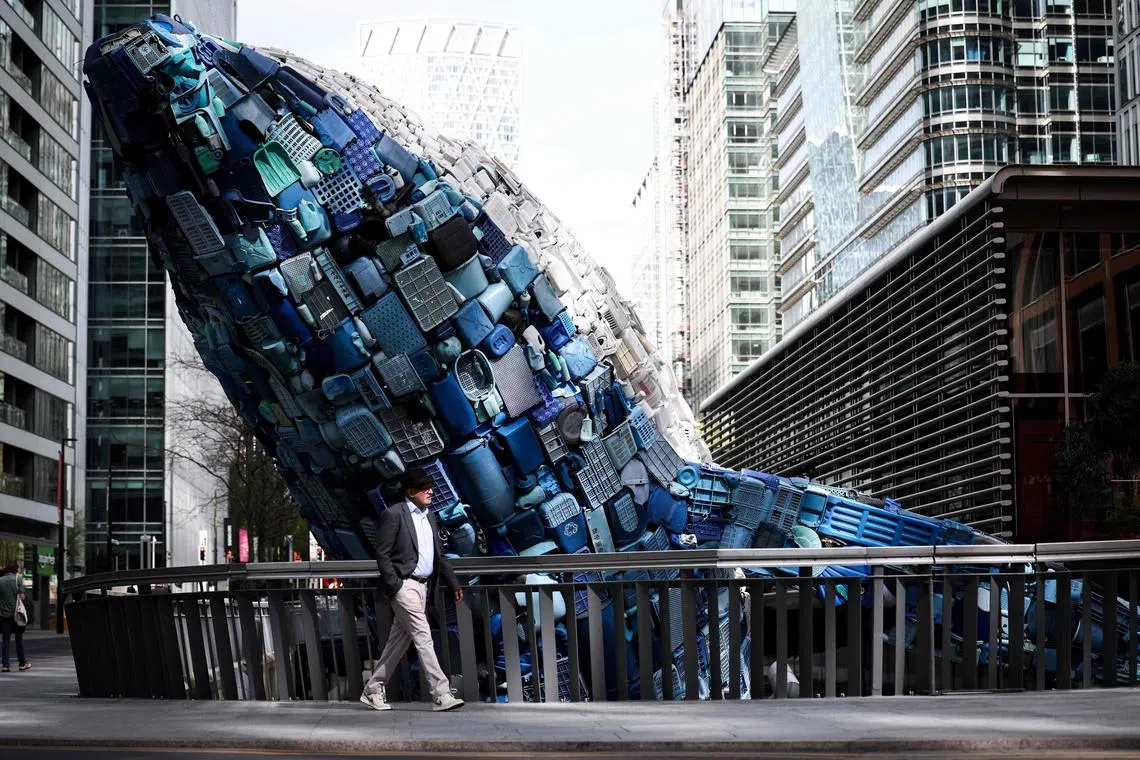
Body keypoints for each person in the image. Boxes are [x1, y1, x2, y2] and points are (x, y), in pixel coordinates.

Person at [361, 468, 464, 712]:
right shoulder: (393, 514)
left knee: (398, 641)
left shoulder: (430, 516)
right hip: (404, 586)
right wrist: (396, 585)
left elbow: (437, 555)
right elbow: (382, 553)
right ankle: (441, 694)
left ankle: (373, 688)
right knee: (423, 635)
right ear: (410, 491)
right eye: (424, 487)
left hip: (424, 587)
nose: (431, 490)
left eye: (430, 486)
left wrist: (453, 582)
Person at [0, 561, 29, 673]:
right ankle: (22, 663)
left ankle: (5, 665)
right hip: (17, 615)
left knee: (6, 640)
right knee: (18, 639)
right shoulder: (18, 580)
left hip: (4, 615)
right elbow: (22, 597)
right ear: (16, 570)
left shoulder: (0, 580)